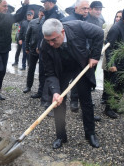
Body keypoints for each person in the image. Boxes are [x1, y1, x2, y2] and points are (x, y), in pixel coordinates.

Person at [41, 18, 103, 149]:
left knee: (86, 100)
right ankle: (60, 136)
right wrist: (55, 92)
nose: (51, 43)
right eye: (48, 40)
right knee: (57, 102)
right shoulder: (45, 45)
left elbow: (99, 33)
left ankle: (90, 133)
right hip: (61, 69)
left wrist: (95, 56)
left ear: (62, 32)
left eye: (54, 40)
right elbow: (49, 72)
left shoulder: (77, 27)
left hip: (80, 64)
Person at [0, 0, 29, 101]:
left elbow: (19, 16)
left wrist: (25, 6)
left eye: (7, 6)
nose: (6, 8)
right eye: (4, 6)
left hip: (6, 48)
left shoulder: (9, 17)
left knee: (3, 71)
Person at [62, 0, 90, 113]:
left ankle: (74, 101)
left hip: (81, 59)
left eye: (88, 8)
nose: (86, 11)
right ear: (76, 8)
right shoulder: (65, 21)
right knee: (62, 83)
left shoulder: (87, 22)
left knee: (78, 81)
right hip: (67, 58)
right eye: (84, 8)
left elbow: (88, 40)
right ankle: (58, 105)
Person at [24, 8, 45, 98]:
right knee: (31, 69)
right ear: (39, 13)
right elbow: (27, 35)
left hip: (43, 51)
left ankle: (41, 90)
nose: (42, 17)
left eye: (44, 15)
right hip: (32, 50)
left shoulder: (47, 23)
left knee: (42, 71)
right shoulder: (32, 22)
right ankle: (28, 86)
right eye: (41, 15)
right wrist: (27, 47)